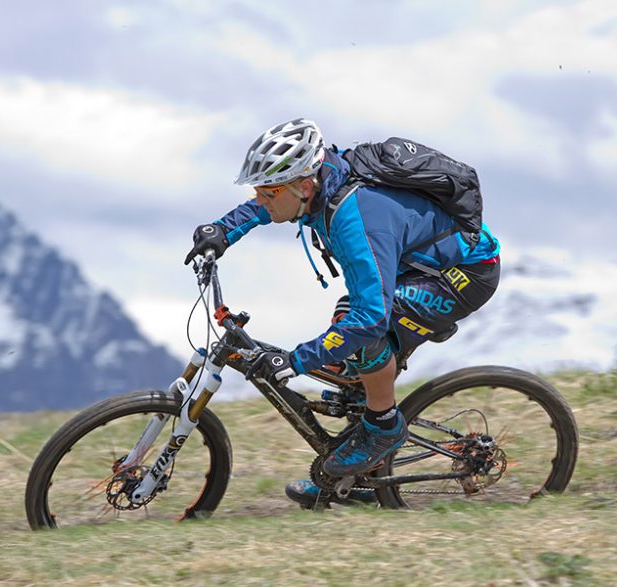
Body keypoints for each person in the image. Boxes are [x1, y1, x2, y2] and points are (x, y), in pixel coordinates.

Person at [185, 118, 501, 508]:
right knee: (348, 341)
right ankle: (358, 476)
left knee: (365, 332)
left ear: (304, 187)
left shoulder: (356, 219)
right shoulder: (319, 186)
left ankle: (382, 428)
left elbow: (371, 319)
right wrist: (222, 231)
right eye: (259, 191)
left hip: (462, 274)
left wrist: (296, 361)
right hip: (416, 265)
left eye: (268, 192)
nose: (261, 200)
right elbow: (266, 208)